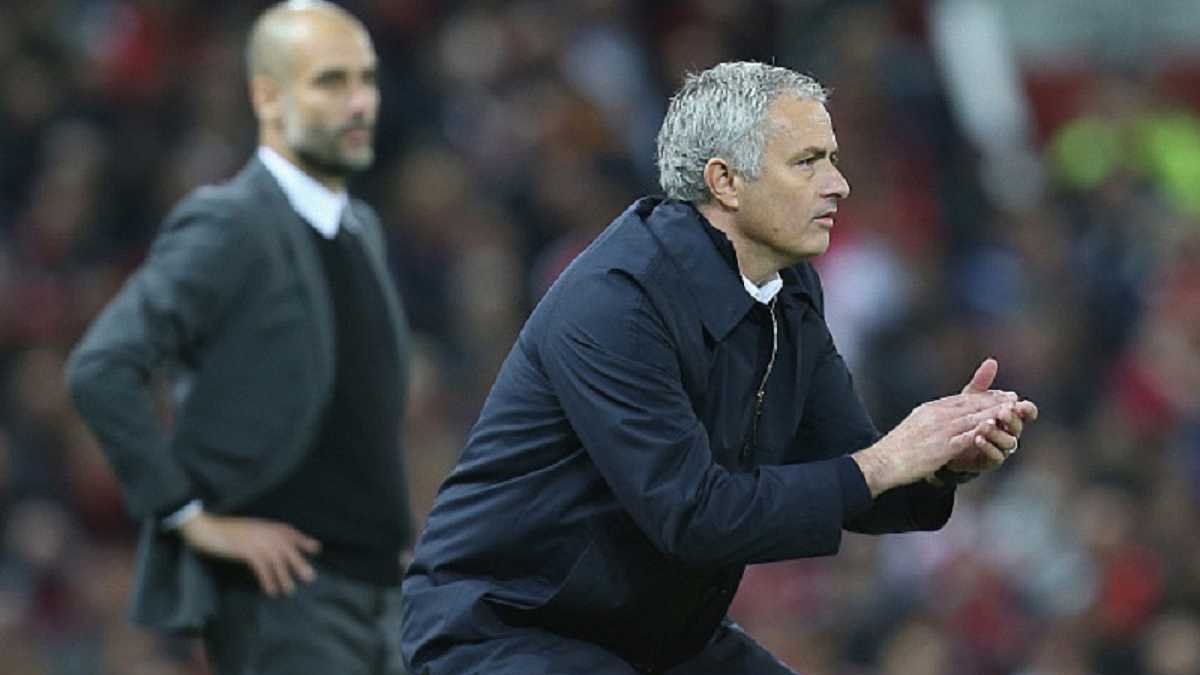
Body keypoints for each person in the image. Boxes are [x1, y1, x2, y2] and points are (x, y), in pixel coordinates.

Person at [399, 61, 1039, 675]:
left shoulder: (789, 290)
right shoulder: (617, 302)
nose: (838, 184)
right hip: (509, 629)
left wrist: (940, 460)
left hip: (655, 635)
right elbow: (693, 516)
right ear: (725, 181)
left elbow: (851, 474)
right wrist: (884, 462)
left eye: (833, 158)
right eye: (808, 162)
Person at [65, 2, 411, 673]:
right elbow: (101, 366)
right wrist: (187, 515)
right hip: (285, 600)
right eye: (331, 81)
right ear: (268, 97)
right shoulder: (231, 221)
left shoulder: (361, 230)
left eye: (366, 79)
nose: (359, 101)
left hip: (381, 596)